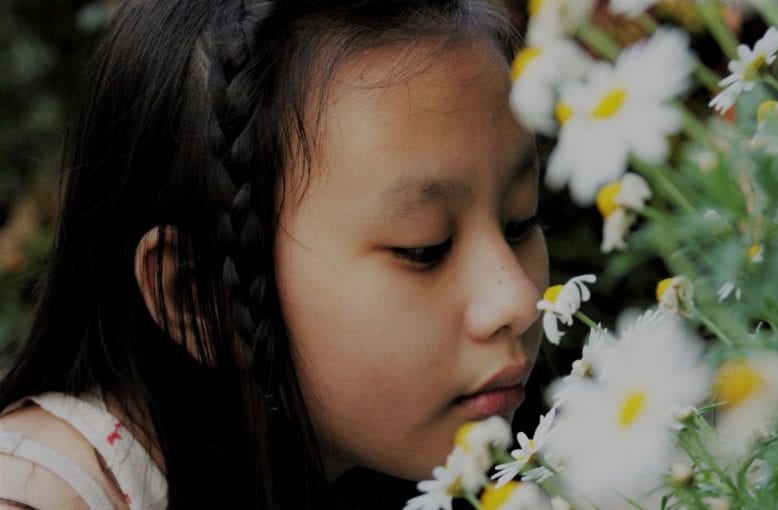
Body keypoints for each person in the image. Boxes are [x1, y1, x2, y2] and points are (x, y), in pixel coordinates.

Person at [0, 0, 549, 507]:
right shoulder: (45, 491)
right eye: (425, 248)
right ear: (196, 295)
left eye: (521, 220)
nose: (520, 299)